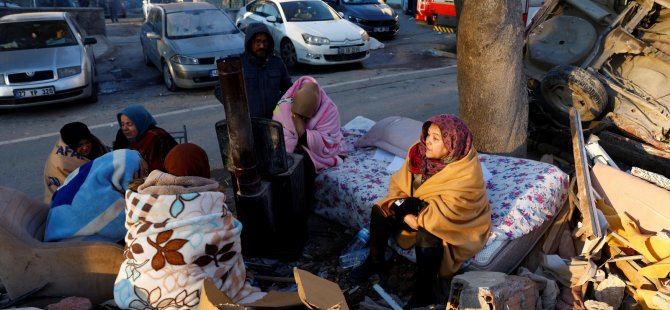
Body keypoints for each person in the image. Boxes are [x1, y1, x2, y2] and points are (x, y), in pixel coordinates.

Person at [349, 114, 491, 308]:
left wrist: (418, 218)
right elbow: (400, 185)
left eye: (436, 138)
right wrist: (405, 213)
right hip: (415, 205)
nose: (427, 142)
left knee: (428, 236)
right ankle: (376, 261)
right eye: (427, 135)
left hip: (445, 217)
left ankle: (425, 292)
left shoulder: (465, 171)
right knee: (381, 210)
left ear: (452, 144)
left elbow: (457, 209)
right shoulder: (418, 153)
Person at [114, 143, 260, 307]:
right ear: (203, 167)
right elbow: (229, 252)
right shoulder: (212, 203)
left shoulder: (143, 201)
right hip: (194, 301)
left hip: (134, 293)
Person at [44, 149, 148, 243]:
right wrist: (136, 192)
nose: (145, 179)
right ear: (125, 175)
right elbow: (137, 225)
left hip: (55, 234)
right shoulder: (98, 200)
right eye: (141, 173)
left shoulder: (91, 176)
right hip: (69, 246)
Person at [214, 23, 292, 119]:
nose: (262, 46)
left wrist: (281, 106)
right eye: (257, 41)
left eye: (265, 41)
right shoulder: (237, 64)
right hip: (247, 123)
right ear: (250, 42)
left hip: (274, 121)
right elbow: (219, 89)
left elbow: (289, 89)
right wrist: (235, 107)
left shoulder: (277, 62)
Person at [272, 76, 347, 175]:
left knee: (304, 166)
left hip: (317, 151)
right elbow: (278, 129)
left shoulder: (329, 110)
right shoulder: (285, 103)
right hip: (297, 146)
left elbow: (329, 141)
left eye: (306, 117)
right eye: (300, 117)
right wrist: (296, 116)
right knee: (283, 162)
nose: (304, 120)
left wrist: (300, 127)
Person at [43, 122, 109, 203]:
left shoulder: (98, 147)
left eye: (87, 143)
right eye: (80, 145)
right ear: (71, 145)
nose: (85, 148)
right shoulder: (60, 162)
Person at [113, 105, 178, 172]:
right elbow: (115, 159)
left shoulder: (156, 137)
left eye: (129, 124)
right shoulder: (122, 135)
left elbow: (160, 170)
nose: (125, 128)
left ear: (140, 123)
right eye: (122, 124)